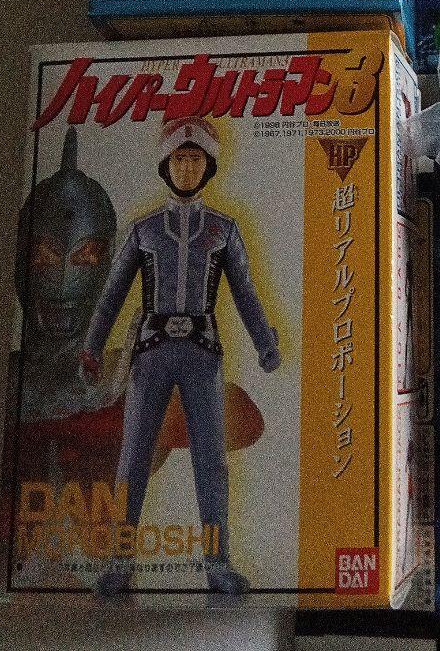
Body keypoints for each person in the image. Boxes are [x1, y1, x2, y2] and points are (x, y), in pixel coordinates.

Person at [81, 116, 280, 595]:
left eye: (195, 160)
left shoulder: (224, 231)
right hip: (149, 354)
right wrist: (92, 347)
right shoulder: (144, 230)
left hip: (202, 354)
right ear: (166, 165)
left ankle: (217, 564)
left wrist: (265, 344)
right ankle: (119, 562)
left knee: (211, 460)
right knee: (133, 456)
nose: (187, 168)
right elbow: (111, 295)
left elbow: (246, 294)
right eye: (179, 159)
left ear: (207, 166)